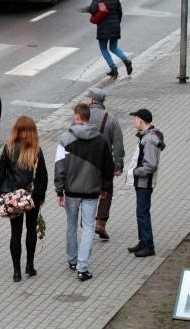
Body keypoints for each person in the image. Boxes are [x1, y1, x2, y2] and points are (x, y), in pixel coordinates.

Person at [54, 103, 114, 282]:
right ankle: (82, 267)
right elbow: (107, 167)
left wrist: (59, 190)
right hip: (91, 191)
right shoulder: (101, 140)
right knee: (88, 228)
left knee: (71, 226)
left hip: (71, 191)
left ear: (77, 117)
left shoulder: (65, 139)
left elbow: (59, 167)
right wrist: (105, 188)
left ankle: (72, 260)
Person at [0, 115, 48, 282]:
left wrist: (0, 195)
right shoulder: (36, 150)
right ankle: (30, 266)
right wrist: (42, 195)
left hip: (13, 197)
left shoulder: (8, 148)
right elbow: (43, 176)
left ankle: (16, 272)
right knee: (31, 230)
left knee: (15, 233)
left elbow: (1, 174)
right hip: (32, 196)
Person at [85, 88, 124, 241]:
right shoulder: (111, 119)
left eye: (87, 97)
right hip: (104, 164)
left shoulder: (82, 116)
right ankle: (100, 222)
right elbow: (118, 145)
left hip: (84, 163)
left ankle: (87, 221)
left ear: (91, 100)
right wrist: (118, 165)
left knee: (86, 192)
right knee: (106, 191)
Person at [125, 108, 165, 258]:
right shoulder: (149, 136)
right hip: (142, 182)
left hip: (144, 182)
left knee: (143, 213)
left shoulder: (149, 140)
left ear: (140, 120)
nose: (134, 122)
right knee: (141, 212)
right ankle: (143, 241)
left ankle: (148, 245)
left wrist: (136, 172)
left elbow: (150, 164)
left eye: (135, 119)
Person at [89, 0, 132, 78]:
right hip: (115, 26)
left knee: (104, 48)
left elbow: (92, 10)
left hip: (103, 28)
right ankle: (126, 61)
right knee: (114, 47)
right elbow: (119, 12)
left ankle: (113, 68)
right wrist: (117, 23)